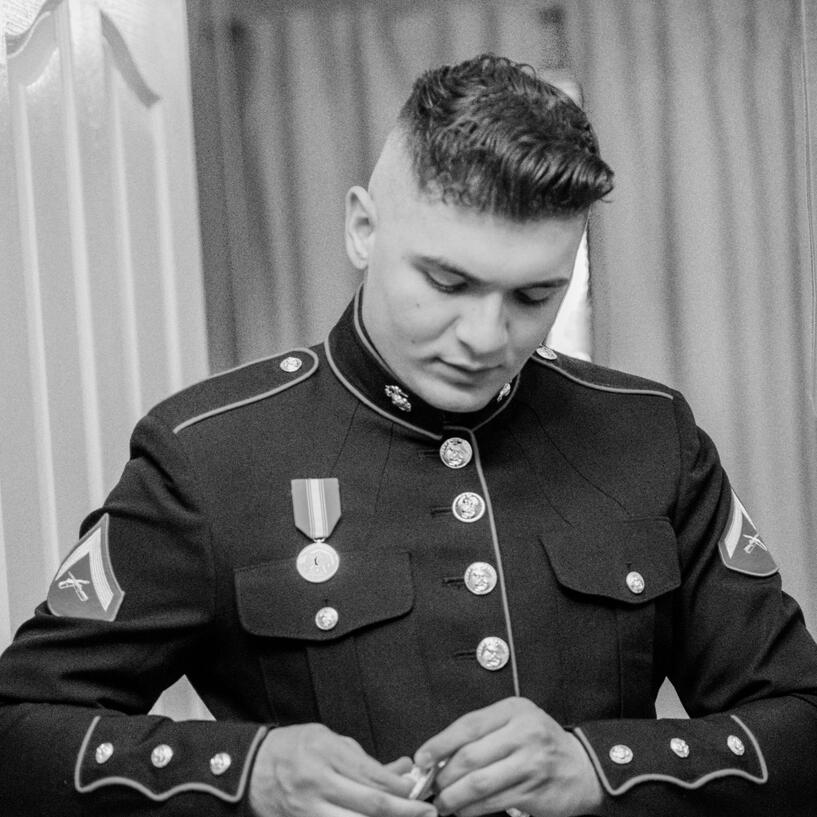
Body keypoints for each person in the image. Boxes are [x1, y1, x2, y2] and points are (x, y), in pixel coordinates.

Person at [0, 53, 816, 817]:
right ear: (363, 227)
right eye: (447, 281)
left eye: (534, 296)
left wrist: (600, 766)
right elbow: (21, 729)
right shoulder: (209, 453)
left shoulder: (648, 433)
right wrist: (247, 772)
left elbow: (798, 719)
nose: (485, 337)